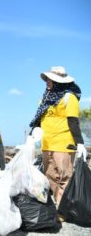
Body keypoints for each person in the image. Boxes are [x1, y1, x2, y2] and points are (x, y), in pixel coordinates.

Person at [29, 66, 87, 219]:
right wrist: (34, 131)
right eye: (47, 79)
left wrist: (79, 143)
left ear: (59, 82)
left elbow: (73, 121)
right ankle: (61, 208)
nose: (48, 82)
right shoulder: (44, 98)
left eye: (51, 80)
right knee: (50, 176)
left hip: (64, 143)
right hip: (47, 144)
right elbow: (39, 119)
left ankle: (65, 210)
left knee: (64, 177)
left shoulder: (69, 97)